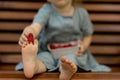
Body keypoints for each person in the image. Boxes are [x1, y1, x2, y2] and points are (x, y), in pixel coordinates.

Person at [15, 0, 111, 79]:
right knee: (43, 57)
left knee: (69, 59)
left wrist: (83, 46)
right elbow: (36, 26)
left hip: (72, 51)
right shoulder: (46, 10)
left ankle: (65, 70)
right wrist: (29, 32)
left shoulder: (81, 13)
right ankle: (33, 66)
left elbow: (88, 35)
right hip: (48, 51)